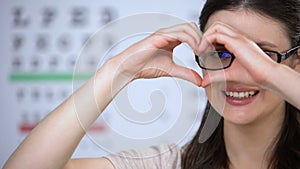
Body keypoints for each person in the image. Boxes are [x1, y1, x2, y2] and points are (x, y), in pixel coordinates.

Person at [4, 0, 300, 168]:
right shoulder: (165, 164)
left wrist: (272, 74)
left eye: (259, 55)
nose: (236, 73)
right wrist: (117, 71)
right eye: (221, 54)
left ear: (295, 63)